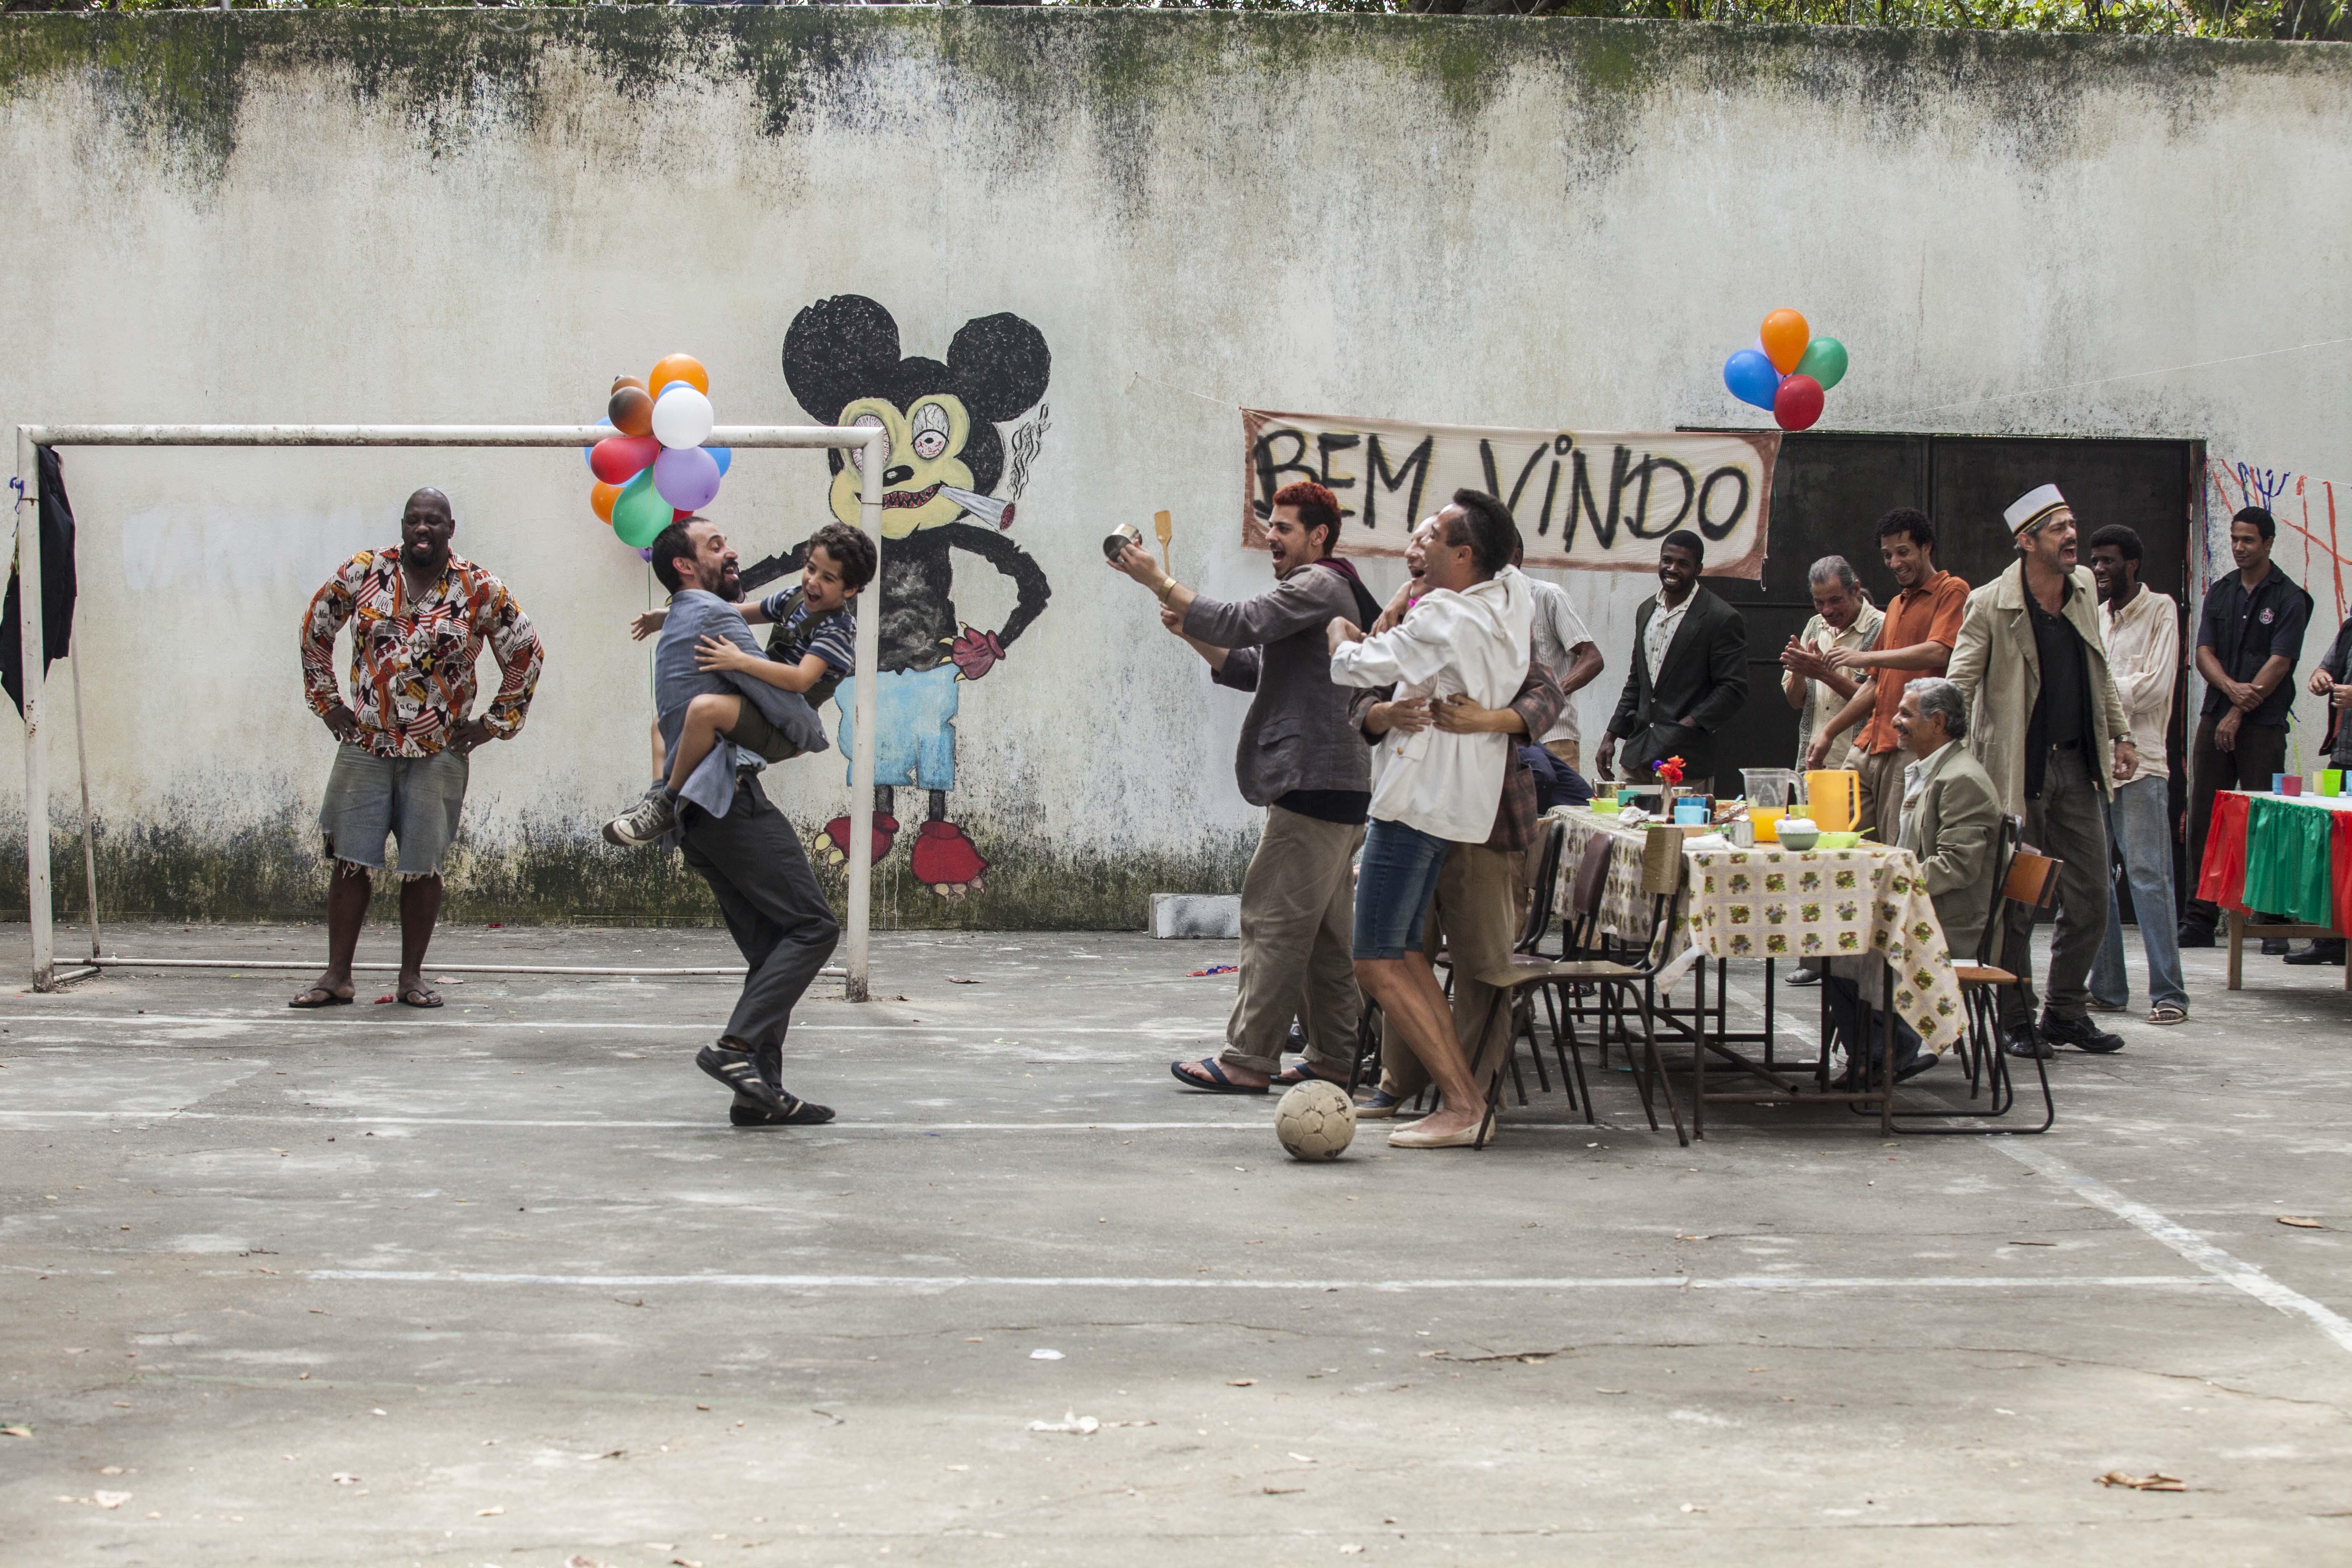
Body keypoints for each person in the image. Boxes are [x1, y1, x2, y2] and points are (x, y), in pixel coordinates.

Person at [1110, 480, 1379, 1094]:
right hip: (1338, 786)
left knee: (1274, 923)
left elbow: (1242, 622)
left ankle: (1247, 1060)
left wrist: (1158, 579)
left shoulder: (1318, 584)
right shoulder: (1327, 592)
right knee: (1325, 938)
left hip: (1312, 785)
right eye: (1271, 525)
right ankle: (1336, 1057)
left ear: (1319, 536)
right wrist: (1188, 631)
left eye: (1285, 528)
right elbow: (1250, 665)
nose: (1271, 538)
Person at [1329, 490, 1532, 1149]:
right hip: (1455, 805)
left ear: (1465, 556)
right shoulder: (1511, 597)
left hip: (1414, 801)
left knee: (1376, 961)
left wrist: (1340, 632)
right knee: (1402, 953)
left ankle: (1464, 1103)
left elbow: (1355, 665)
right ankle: (1459, 1098)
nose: (1419, 547)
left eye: (1434, 538)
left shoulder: (1445, 614)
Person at [292, 488, 542, 1011]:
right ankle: (337, 976)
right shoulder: (363, 573)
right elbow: (317, 629)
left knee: (422, 866)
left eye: (433, 522)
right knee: (349, 862)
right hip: (366, 742)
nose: (422, 530)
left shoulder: (480, 588)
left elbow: (526, 651)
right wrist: (328, 702)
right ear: (404, 526)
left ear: (452, 528)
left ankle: (411, 977)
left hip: (439, 750)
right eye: (414, 521)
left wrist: (495, 723)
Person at [645, 516, 838, 1126]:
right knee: (813, 928)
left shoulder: (677, 624)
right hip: (730, 801)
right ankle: (733, 1051)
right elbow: (781, 701)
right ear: (684, 565)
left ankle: (759, 1093)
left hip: (698, 820)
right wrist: (810, 735)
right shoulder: (715, 618)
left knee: (771, 948)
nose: (732, 553)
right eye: (715, 546)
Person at [1945, 485, 2135, 1059]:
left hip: (2077, 765)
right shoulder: (1990, 603)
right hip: (2016, 773)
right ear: (2026, 542)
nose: (2072, 535)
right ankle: (2016, 1017)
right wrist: (1945, 760)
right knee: (2019, 904)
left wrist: (2121, 733)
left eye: (2072, 523)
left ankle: (2066, 1012)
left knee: (2093, 898)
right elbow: (1959, 682)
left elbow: (2099, 672)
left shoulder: (2081, 591)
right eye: (2057, 528)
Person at [1348, 654, 1565, 1120]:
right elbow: (1361, 694)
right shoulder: (1410, 616)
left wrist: (1485, 720)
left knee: (1483, 963)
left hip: (1483, 825)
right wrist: (1384, 714)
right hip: (1410, 815)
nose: (1418, 575)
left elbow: (1546, 698)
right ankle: (1399, 1081)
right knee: (1400, 955)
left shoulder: (1498, 618)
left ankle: (1476, 1093)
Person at [606, 521, 875, 847]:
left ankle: (668, 803)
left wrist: (740, 661)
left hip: (786, 728)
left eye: (828, 579)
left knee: (704, 710)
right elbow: (737, 612)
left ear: (850, 590)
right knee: (663, 723)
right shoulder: (793, 599)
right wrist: (666, 616)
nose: (813, 582)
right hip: (762, 705)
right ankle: (655, 795)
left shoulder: (838, 628)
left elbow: (801, 679)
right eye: (810, 569)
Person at [1821, 678, 2000, 1086]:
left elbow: (1957, 865)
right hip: (1916, 911)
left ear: (1937, 722)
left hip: (1952, 923)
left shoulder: (1961, 780)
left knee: (1850, 947)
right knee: (1832, 946)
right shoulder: (1927, 770)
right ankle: (1873, 1056)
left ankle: (1891, 1054)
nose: (1894, 722)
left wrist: (1893, 888)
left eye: (1905, 714)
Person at [2180, 506, 2312, 951]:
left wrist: (2241, 709)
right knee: (2205, 817)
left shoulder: (2291, 597)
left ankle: (2271, 920)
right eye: (2235, 539)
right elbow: (2203, 652)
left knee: (2266, 821)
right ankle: (2199, 917)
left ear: (2269, 543)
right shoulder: (2221, 592)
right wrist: (2231, 693)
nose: (2239, 548)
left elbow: (2280, 662)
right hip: (2217, 713)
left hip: (2263, 724)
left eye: (2249, 541)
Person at [1808, 509, 1969, 846]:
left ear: (1927, 547)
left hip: (1911, 743)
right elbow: (1873, 684)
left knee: (1897, 847)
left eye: (1903, 552)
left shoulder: (1952, 590)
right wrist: (1828, 732)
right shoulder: (1896, 604)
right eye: (1887, 555)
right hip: (1869, 743)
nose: (1895, 562)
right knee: (1838, 839)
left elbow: (1940, 651)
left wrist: (1865, 655)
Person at [2086, 526, 2190, 1022]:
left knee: (2150, 879)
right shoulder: (2095, 616)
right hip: (2097, 763)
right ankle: (2107, 988)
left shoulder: (2162, 609)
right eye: (2095, 561)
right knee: (2096, 879)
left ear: (2133, 565)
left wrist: (2101, 691)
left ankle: (2169, 994)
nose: (2099, 570)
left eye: (2108, 562)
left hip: (2144, 763)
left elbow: (2155, 687)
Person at [1597, 530, 1746, 797]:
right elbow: (1637, 682)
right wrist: (1611, 734)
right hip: (1639, 755)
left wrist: (1689, 724)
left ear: (1698, 569)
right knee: (1630, 831)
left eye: (1683, 564)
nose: (1672, 569)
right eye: (1667, 560)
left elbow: (1734, 688)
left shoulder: (1720, 617)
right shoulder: (1647, 610)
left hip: (1685, 761)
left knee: (1678, 836)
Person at [1780, 556, 1883, 774]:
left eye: (1836, 600)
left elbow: (1878, 701)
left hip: (1859, 766)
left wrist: (1823, 674)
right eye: (1819, 602)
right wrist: (1799, 671)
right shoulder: (1815, 626)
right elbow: (1796, 702)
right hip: (1813, 762)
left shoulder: (1881, 627)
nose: (1827, 611)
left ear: (1855, 590)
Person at [2294, 608, 2352, 965]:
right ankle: (2330, 941)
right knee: (2332, 850)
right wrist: (2320, 678)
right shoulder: (2350, 628)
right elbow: (2326, 667)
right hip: (2343, 756)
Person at [1516, 543, 1605, 775]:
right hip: (1507, 738)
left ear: (1514, 557)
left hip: (1553, 736)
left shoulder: (1548, 595)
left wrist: (1551, 694)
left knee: (1563, 810)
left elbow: (1592, 658)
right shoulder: (1483, 605)